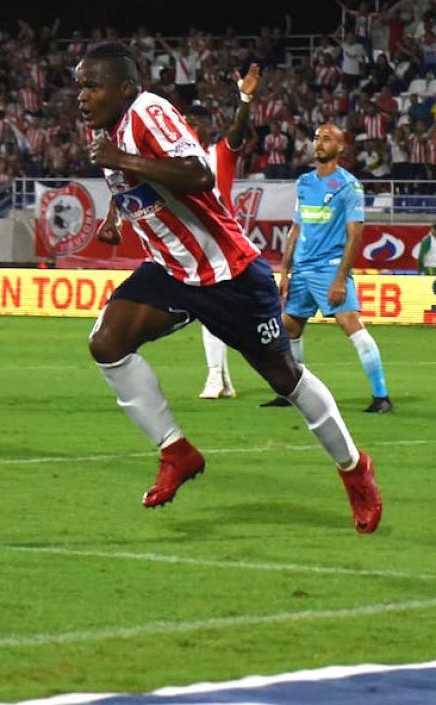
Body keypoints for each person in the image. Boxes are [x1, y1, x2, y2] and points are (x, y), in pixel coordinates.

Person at [76, 44, 381, 532]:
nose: (82, 96)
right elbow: (132, 185)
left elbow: (197, 174)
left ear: (126, 88)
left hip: (228, 272)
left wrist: (123, 158)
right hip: (172, 271)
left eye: (92, 86)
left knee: (285, 377)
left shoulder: (147, 113)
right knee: (106, 343)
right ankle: (176, 451)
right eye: (80, 86)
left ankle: (354, 470)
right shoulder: (105, 133)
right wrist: (115, 211)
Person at [259, 123, 393, 414]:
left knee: (351, 325)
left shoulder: (349, 186)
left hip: (329, 269)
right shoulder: (305, 182)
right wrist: (285, 271)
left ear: (341, 147)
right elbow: (296, 227)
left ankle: (381, 397)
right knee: (290, 329)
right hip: (302, 271)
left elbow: (355, 234)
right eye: (317, 138)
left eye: (327, 139)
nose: (319, 143)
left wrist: (340, 279)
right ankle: (291, 391)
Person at [179, 63, 259, 401]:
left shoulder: (218, 154)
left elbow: (238, 133)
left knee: (217, 310)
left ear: (206, 129)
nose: (185, 128)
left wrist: (244, 99)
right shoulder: (177, 161)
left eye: (191, 124)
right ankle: (221, 379)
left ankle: (217, 377)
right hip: (198, 241)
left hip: (223, 241)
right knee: (213, 309)